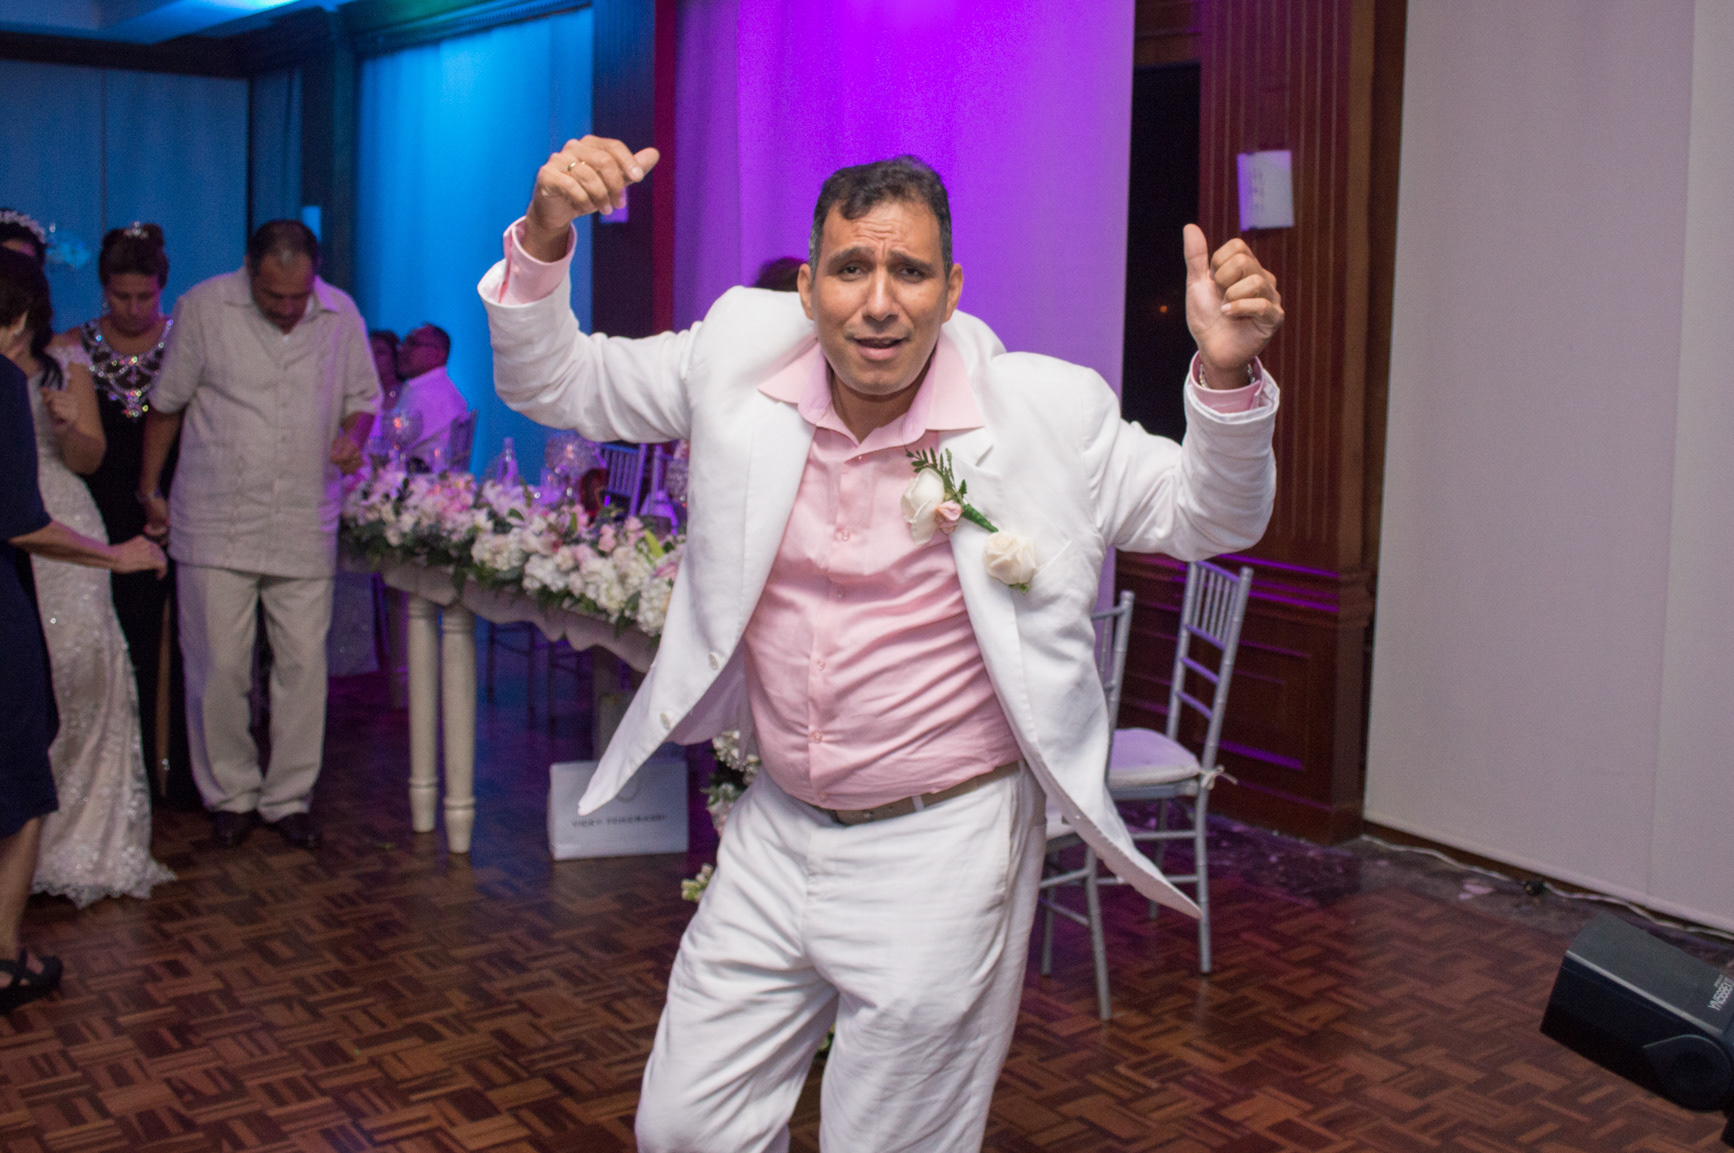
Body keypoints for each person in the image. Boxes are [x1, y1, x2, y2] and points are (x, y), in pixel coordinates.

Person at [482, 138, 1283, 1150]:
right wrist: (547, 232)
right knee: (685, 1125)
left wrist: (1226, 372)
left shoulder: (1044, 411)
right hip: (776, 826)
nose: (878, 301)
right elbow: (557, 382)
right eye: (851, 267)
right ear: (807, 287)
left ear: (951, 290)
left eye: (909, 270)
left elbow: (1210, 516)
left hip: (942, 847)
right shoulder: (734, 357)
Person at [139, 220, 381, 851]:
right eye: (274, 295)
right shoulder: (203, 308)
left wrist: (352, 436)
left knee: (302, 666)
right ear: (249, 271)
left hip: (304, 513)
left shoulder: (341, 314)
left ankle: (288, 798)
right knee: (219, 665)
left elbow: (364, 397)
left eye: (298, 296)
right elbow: (167, 403)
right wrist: (149, 488)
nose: (287, 308)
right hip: (215, 514)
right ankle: (232, 794)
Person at [1, 282, 167, 1011]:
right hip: (20, 567)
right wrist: (116, 555)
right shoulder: (3, 382)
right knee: (23, 752)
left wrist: (70, 425)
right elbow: (18, 520)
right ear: (16, 318)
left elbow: (84, 458)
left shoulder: (56, 366)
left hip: (50, 534)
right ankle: (4, 955)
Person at [49, 224, 198, 811]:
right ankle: (124, 781)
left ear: (163, 288)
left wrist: (163, 495)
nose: (134, 309)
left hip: (181, 501)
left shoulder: (186, 341)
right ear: (103, 289)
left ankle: (183, 778)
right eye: (121, 296)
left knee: (189, 645)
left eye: (145, 297)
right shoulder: (74, 346)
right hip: (102, 510)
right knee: (121, 643)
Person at [389, 323, 467, 467]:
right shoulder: (437, 388)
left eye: (412, 343)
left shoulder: (429, 393)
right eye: (403, 342)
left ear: (437, 355)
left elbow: (392, 446)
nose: (401, 349)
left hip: (420, 475)